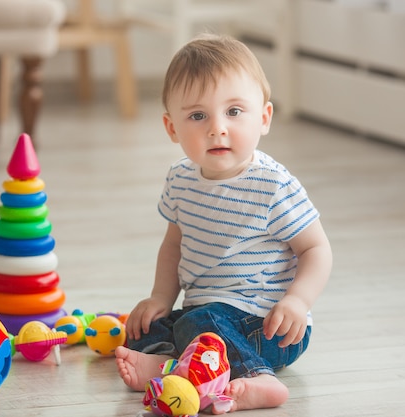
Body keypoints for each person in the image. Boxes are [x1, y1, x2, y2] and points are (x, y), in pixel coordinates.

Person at [115, 33, 332, 413]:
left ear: (263, 118)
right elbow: (173, 245)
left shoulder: (272, 185)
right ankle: (170, 367)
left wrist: (298, 301)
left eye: (234, 112)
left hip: (268, 325)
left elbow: (316, 249)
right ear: (171, 128)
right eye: (198, 116)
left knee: (201, 320)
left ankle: (256, 377)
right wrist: (160, 298)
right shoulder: (180, 178)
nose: (217, 127)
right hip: (208, 317)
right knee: (143, 328)